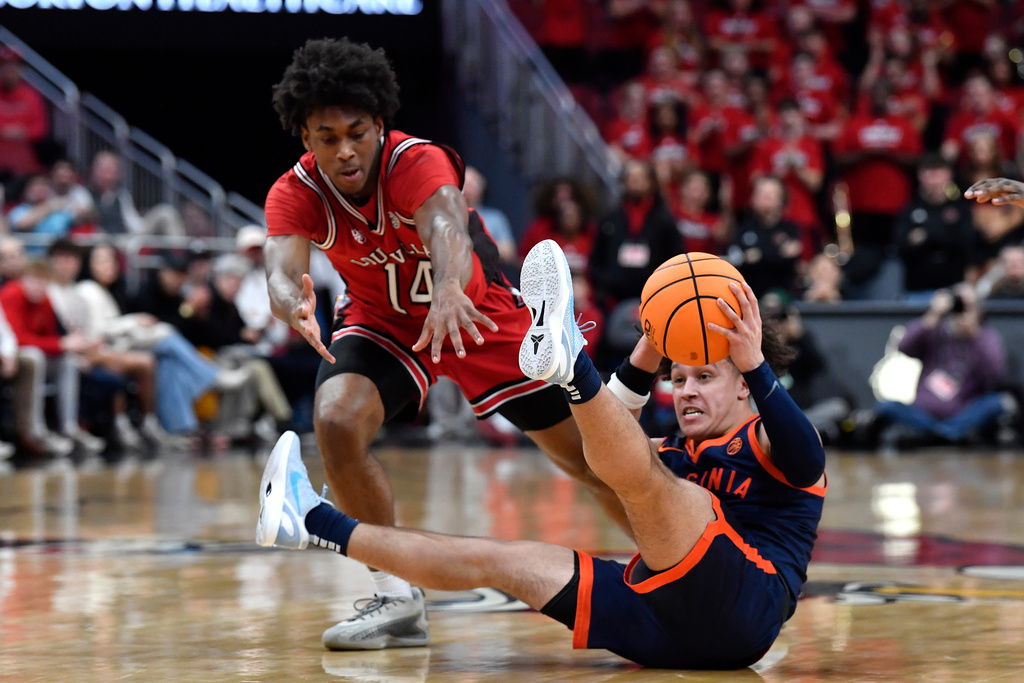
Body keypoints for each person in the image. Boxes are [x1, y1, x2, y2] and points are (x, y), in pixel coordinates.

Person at [256, 239, 826, 667]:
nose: (688, 390)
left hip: (746, 605)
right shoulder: (675, 453)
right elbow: (608, 441)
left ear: (745, 387)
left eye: (706, 376)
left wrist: (753, 360)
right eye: (679, 379)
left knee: (651, 479)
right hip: (664, 624)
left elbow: (807, 458)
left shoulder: (769, 439)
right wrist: (650, 346)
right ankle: (309, 521)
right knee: (500, 558)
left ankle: (568, 359)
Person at [262, 37, 620, 650]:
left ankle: (681, 562)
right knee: (337, 421)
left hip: (477, 315)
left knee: (590, 461)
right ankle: (396, 599)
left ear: (380, 122)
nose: (345, 150)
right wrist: (288, 300)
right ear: (305, 138)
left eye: (357, 131)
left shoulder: (414, 160)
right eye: (327, 136)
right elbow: (279, 262)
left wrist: (451, 284)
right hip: (385, 322)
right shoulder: (294, 192)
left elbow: (446, 222)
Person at [875, 285, 1009, 448]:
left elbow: (995, 372)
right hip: (923, 414)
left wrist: (974, 333)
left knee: (997, 403)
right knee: (887, 406)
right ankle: (945, 434)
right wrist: (932, 315)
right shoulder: (935, 330)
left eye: (968, 306)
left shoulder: (985, 337)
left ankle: (936, 435)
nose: (961, 312)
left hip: (964, 413)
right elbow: (903, 347)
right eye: (959, 305)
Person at [893, 155, 975, 300]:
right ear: (920, 177)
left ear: (949, 175)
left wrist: (925, 236)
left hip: (953, 286)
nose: (934, 181)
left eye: (938, 174)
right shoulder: (909, 210)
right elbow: (901, 246)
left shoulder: (960, 208)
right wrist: (945, 233)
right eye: (929, 175)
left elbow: (966, 242)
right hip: (917, 289)